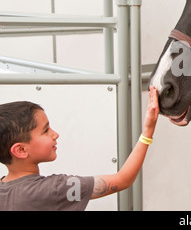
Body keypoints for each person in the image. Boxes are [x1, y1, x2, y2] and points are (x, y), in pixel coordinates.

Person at [0, 86, 159, 211]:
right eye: (46, 130)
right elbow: (123, 180)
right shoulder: (54, 189)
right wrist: (148, 131)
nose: (55, 134)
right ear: (20, 150)